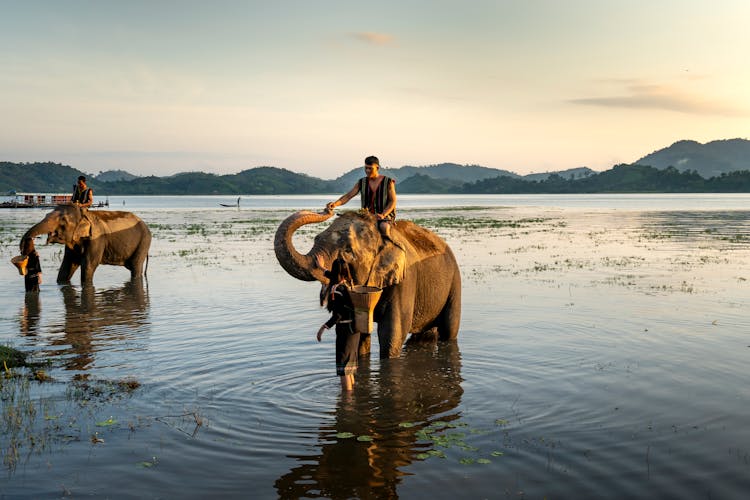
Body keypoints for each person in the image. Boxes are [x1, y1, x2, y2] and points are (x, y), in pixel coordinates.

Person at [326, 155, 397, 240]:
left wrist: (383, 214)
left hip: (384, 215)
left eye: (370, 168)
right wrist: (335, 204)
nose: (367, 171)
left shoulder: (388, 182)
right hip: (366, 215)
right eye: (366, 168)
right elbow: (348, 196)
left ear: (377, 168)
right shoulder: (361, 182)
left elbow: (392, 201)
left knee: (384, 227)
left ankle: (388, 247)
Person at [316, 256, 359, 391]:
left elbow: (338, 315)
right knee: (349, 367)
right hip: (355, 330)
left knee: (343, 368)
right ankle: (352, 396)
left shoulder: (336, 290)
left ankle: (346, 402)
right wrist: (322, 268)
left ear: (335, 272)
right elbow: (334, 275)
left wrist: (323, 328)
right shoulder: (349, 285)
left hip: (344, 331)